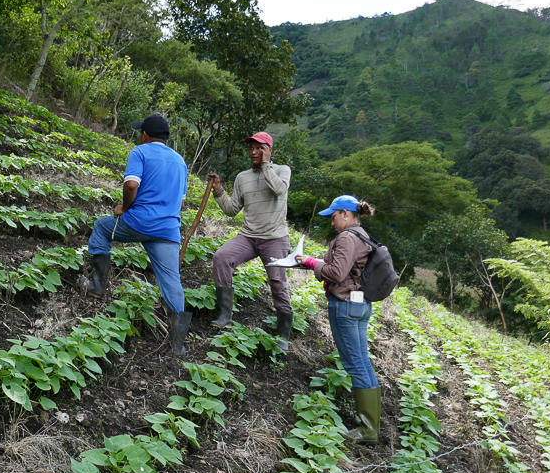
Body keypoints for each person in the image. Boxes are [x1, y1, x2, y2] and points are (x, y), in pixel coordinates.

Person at [82, 114, 193, 356]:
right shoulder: (180, 161)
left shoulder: (140, 152)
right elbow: (181, 202)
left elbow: (131, 185)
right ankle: (178, 345)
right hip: (168, 230)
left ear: (144, 134)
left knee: (102, 228)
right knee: (172, 282)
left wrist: (124, 208)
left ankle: (96, 286)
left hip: (138, 223)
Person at [296, 195, 380, 445]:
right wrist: (312, 263)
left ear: (345, 213)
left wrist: (312, 263)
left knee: (354, 364)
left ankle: (368, 429)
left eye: (333, 217)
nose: (331, 223)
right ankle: (369, 421)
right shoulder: (362, 235)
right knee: (362, 361)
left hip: (344, 305)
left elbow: (337, 272)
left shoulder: (346, 237)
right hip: (360, 304)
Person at [207, 131, 294, 351]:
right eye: (252, 148)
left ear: (269, 150)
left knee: (277, 282)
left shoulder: (282, 171)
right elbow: (231, 209)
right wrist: (219, 190)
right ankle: (224, 313)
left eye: (259, 148)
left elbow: (279, 189)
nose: (254, 152)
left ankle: (283, 335)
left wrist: (265, 166)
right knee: (221, 257)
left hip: (274, 238)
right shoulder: (242, 177)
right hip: (248, 236)